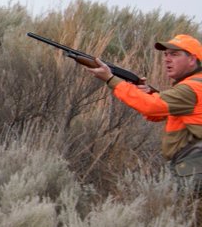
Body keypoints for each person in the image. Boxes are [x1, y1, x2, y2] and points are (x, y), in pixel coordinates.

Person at [85, 34, 202, 190]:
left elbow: (151, 106)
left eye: (174, 54)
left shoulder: (192, 88)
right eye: (166, 54)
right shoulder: (193, 85)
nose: (167, 59)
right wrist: (147, 94)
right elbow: (158, 113)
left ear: (192, 60)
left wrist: (111, 79)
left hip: (194, 168)